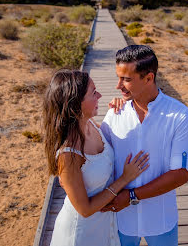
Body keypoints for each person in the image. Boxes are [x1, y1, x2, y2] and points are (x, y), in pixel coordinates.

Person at [100, 45, 188, 246]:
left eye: (126, 79)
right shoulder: (114, 113)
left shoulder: (179, 116)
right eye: (118, 77)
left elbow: (181, 173)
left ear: (149, 78)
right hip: (120, 220)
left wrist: (132, 196)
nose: (119, 86)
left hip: (160, 219)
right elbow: (100, 157)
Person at [44, 69, 150, 246]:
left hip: (104, 225)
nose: (100, 95)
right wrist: (125, 178)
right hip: (81, 234)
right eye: (93, 93)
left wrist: (120, 108)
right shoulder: (69, 153)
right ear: (75, 104)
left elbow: (118, 133)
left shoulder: (91, 124)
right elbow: (85, 209)